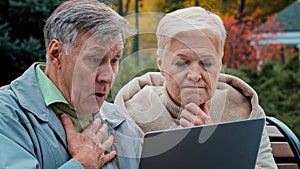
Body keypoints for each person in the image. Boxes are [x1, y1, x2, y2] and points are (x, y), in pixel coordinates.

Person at [114, 6, 277, 169]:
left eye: (206, 63)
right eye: (181, 63)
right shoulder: (131, 116)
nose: (194, 75)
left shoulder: (243, 109)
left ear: (220, 63)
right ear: (161, 64)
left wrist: (215, 150)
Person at [0, 0, 141, 168]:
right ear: (56, 53)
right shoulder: (7, 115)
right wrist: (82, 164)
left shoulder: (121, 123)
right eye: (95, 59)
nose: (108, 77)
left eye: (114, 60)